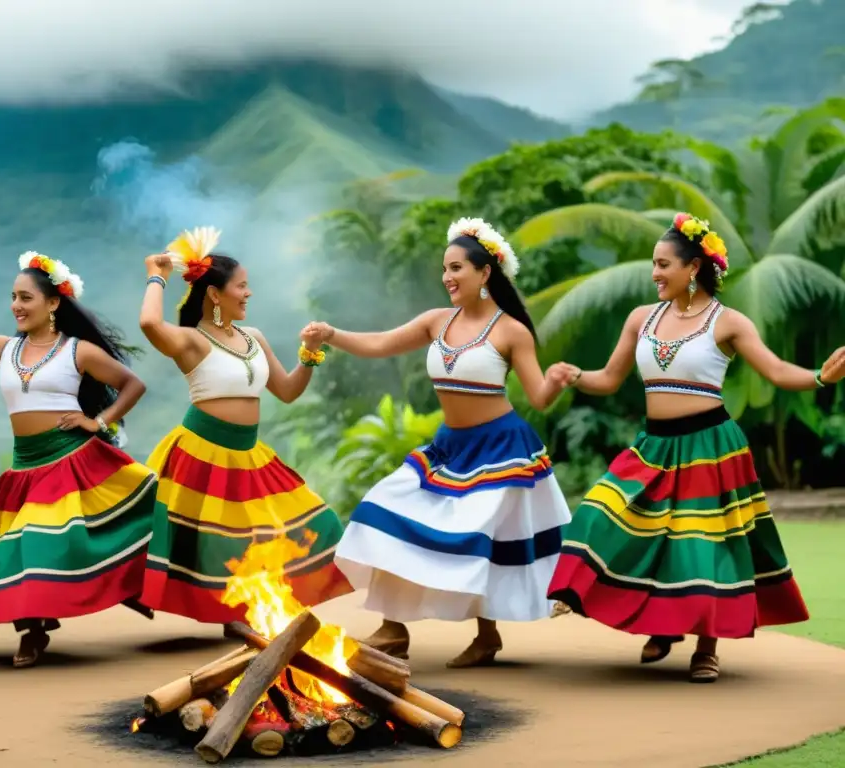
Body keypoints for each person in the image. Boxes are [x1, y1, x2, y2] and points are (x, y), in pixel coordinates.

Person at [546, 212, 845, 682]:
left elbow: (775, 370)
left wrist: (820, 377)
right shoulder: (641, 319)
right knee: (601, 514)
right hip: (654, 446)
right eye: (654, 264)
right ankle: (662, 627)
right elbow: (608, 379)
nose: (655, 273)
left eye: (664, 264)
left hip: (710, 447)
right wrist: (575, 376)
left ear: (694, 268)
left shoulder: (728, 322)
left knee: (703, 547)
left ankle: (706, 649)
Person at [302, 217, 572, 668]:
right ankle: (393, 628)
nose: (447, 277)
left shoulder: (511, 332)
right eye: (444, 269)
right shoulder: (435, 321)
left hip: (502, 450)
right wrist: (332, 335)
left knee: (478, 538)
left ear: (485, 273)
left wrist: (558, 380)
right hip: (448, 448)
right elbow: (381, 344)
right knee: (382, 510)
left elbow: (540, 398)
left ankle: (486, 637)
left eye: (456, 268)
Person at [0, 252, 158, 668]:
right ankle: (34, 630)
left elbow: (132, 385)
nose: (16, 305)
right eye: (13, 297)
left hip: (71, 460)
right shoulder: (2, 349)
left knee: (42, 543)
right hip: (25, 467)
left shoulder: (78, 351)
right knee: (17, 552)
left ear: (53, 303)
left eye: (25, 297)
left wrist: (99, 421)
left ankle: (115, 590)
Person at [137, 227, 352, 629]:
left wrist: (310, 354)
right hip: (202, 451)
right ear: (215, 295)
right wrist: (157, 274)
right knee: (222, 542)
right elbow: (150, 323)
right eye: (242, 286)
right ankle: (238, 617)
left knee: (317, 524)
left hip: (249, 454)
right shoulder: (191, 341)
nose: (248, 293)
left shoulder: (253, 337)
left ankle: (251, 612)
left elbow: (287, 391)